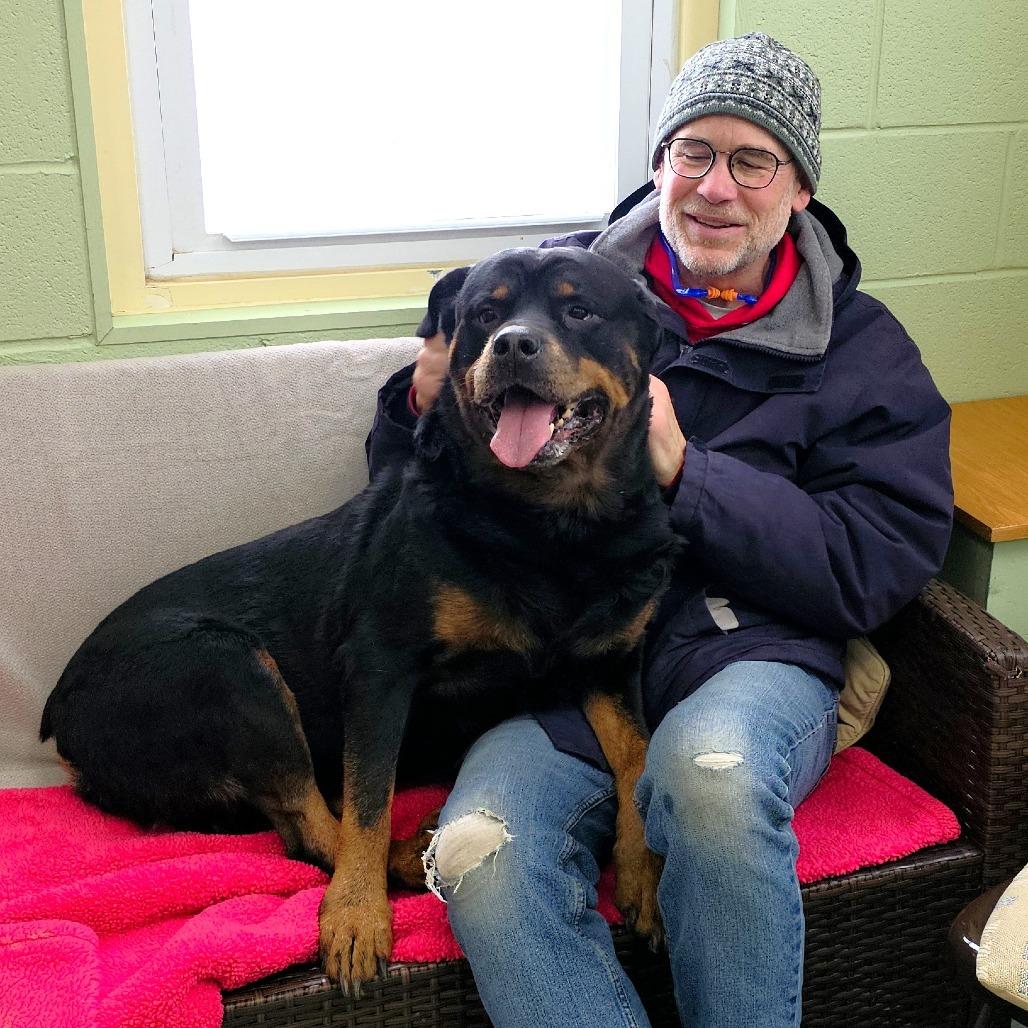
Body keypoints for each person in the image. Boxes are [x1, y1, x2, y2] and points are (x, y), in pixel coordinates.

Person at [365, 32, 953, 1028]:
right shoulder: (555, 295)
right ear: (657, 166)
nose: (715, 187)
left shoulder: (860, 350)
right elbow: (411, 513)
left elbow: (872, 564)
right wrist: (416, 408)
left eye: (751, 160)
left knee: (709, 780)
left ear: (797, 190)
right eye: (693, 153)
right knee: (476, 848)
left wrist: (688, 472)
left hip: (744, 655)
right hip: (563, 666)